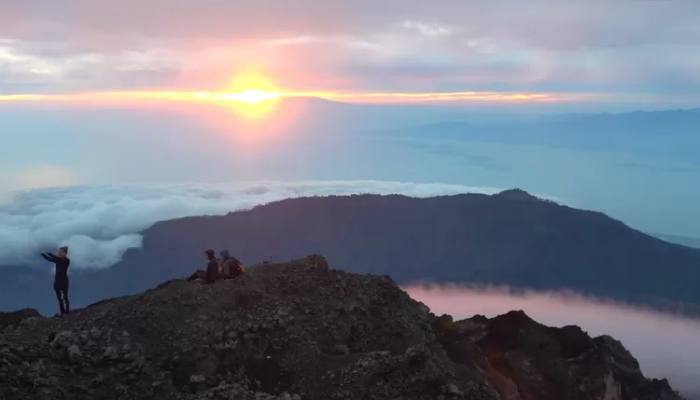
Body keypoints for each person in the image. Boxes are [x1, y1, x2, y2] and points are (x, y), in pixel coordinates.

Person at [41, 246, 70, 317]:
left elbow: (52, 258)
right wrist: (44, 254)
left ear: (64, 253)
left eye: (60, 252)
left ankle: (66, 312)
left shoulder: (65, 261)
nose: (58, 253)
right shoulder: (61, 260)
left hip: (63, 282)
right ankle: (63, 312)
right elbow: (51, 259)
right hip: (58, 282)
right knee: (60, 298)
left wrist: (45, 253)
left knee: (64, 298)